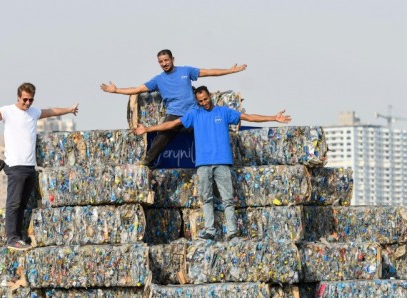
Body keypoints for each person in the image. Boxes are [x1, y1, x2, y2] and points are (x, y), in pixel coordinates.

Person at [134, 85, 291, 240]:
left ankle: (232, 232)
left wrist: (273, 118)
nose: (204, 103)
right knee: (206, 198)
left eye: (206, 99)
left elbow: (248, 117)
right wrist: (148, 129)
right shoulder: (194, 114)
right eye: (200, 101)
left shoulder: (223, 112)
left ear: (210, 96)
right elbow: (171, 124)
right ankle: (210, 230)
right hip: (203, 164)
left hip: (222, 163)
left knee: (227, 199)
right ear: (197, 101)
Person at [0, 82, 79, 250]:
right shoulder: (8, 112)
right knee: (13, 204)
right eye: (25, 100)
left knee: (23, 205)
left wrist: (69, 109)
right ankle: (11, 238)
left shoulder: (34, 112)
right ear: (18, 97)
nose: (27, 103)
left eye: (31, 100)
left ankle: (20, 237)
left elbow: (51, 111)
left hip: (30, 167)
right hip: (15, 167)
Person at [100, 49, 247, 167]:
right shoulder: (158, 80)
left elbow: (208, 72)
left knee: (211, 129)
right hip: (174, 115)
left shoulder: (185, 71)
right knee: (161, 136)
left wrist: (231, 71)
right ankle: (147, 163)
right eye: (161, 62)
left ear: (172, 59)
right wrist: (116, 90)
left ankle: (221, 161)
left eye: (166, 60)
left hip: (193, 113)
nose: (164, 63)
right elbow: (137, 89)